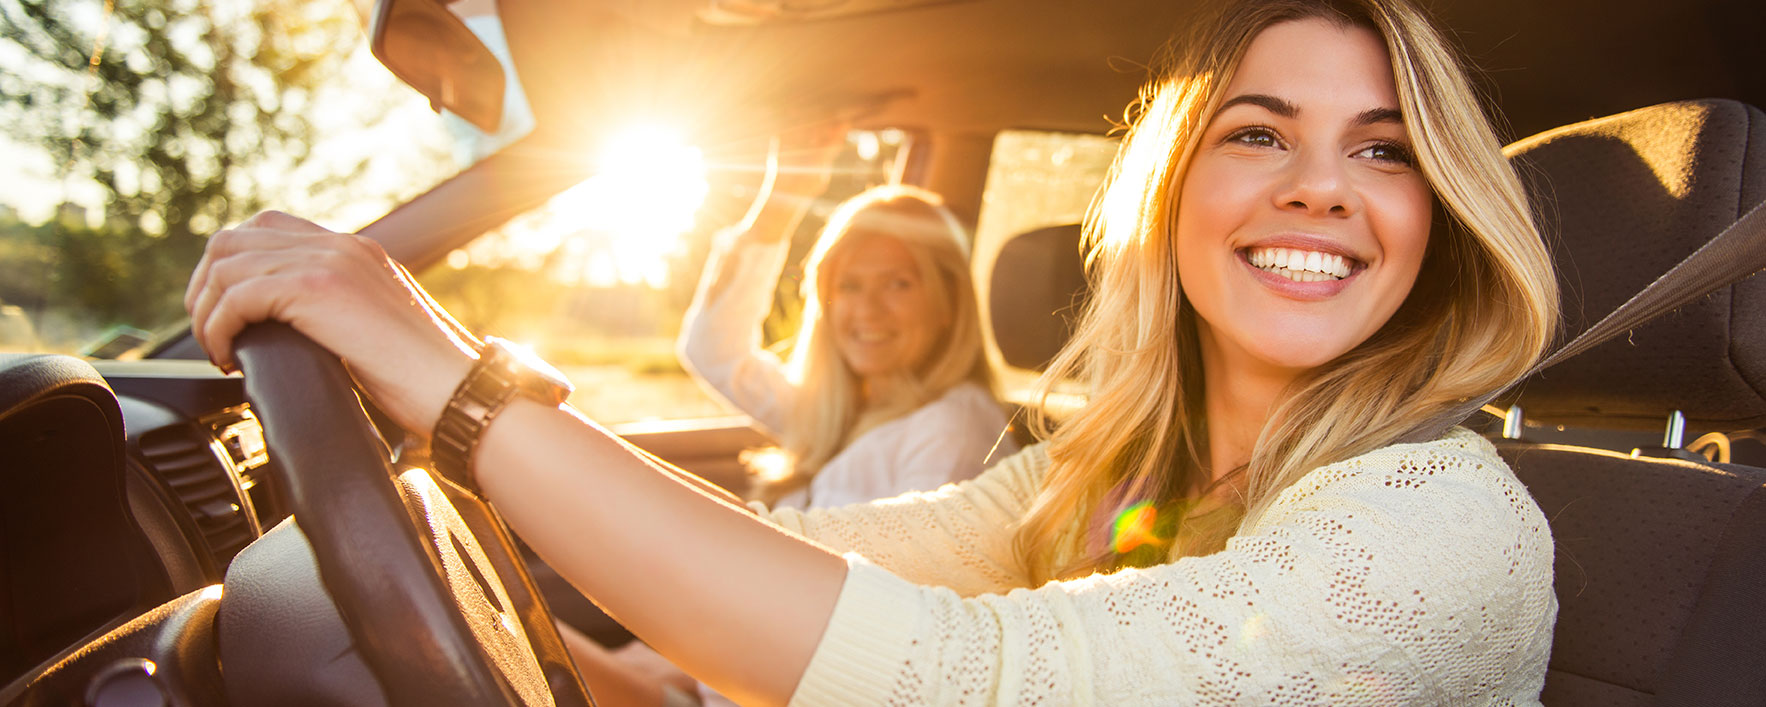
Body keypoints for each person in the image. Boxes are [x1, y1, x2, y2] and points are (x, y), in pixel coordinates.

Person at [184, 0, 1562, 703]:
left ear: (1433, 222)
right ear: (1173, 196)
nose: (1318, 185)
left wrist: (457, 381)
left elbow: (968, 677)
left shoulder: (1440, 521)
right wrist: (575, 650)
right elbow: (807, 570)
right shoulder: (1094, 476)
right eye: (1257, 131)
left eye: (1381, 151)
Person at [677, 134, 1016, 510]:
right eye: (849, 286)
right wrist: (787, 193)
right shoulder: (836, 408)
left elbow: (906, 568)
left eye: (897, 284)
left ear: (948, 302)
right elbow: (713, 352)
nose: (867, 309)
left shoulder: (952, 430)